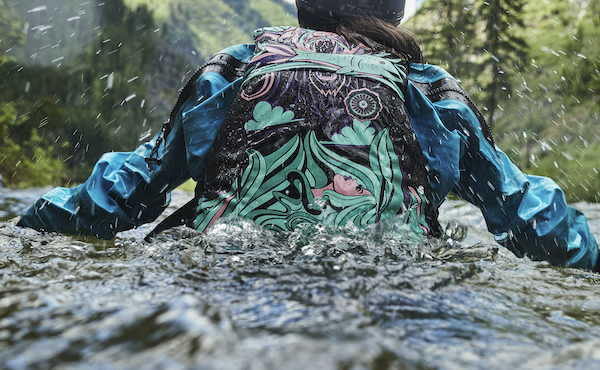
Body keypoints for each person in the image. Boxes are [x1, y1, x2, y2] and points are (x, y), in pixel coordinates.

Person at [18, 0, 599, 271]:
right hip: (391, 287)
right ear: (392, 10)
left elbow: (130, 188)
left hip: (227, 285)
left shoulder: (235, 71)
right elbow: (527, 213)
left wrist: (35, 218)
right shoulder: (428, 92)